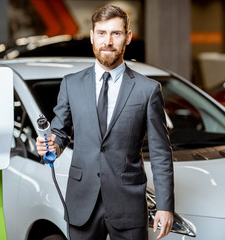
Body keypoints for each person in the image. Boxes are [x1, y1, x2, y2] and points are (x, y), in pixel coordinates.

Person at [36, 5, 174, 240]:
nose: (108, 41)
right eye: (101, 33)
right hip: (82, 202)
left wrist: (165, 205)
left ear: (127, 37)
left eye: (116, 33)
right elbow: (59, 132)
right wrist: (51, 145)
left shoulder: (147, 90)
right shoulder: (71, 84)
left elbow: (161, 152)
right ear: (92, 36)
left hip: (127, 203)